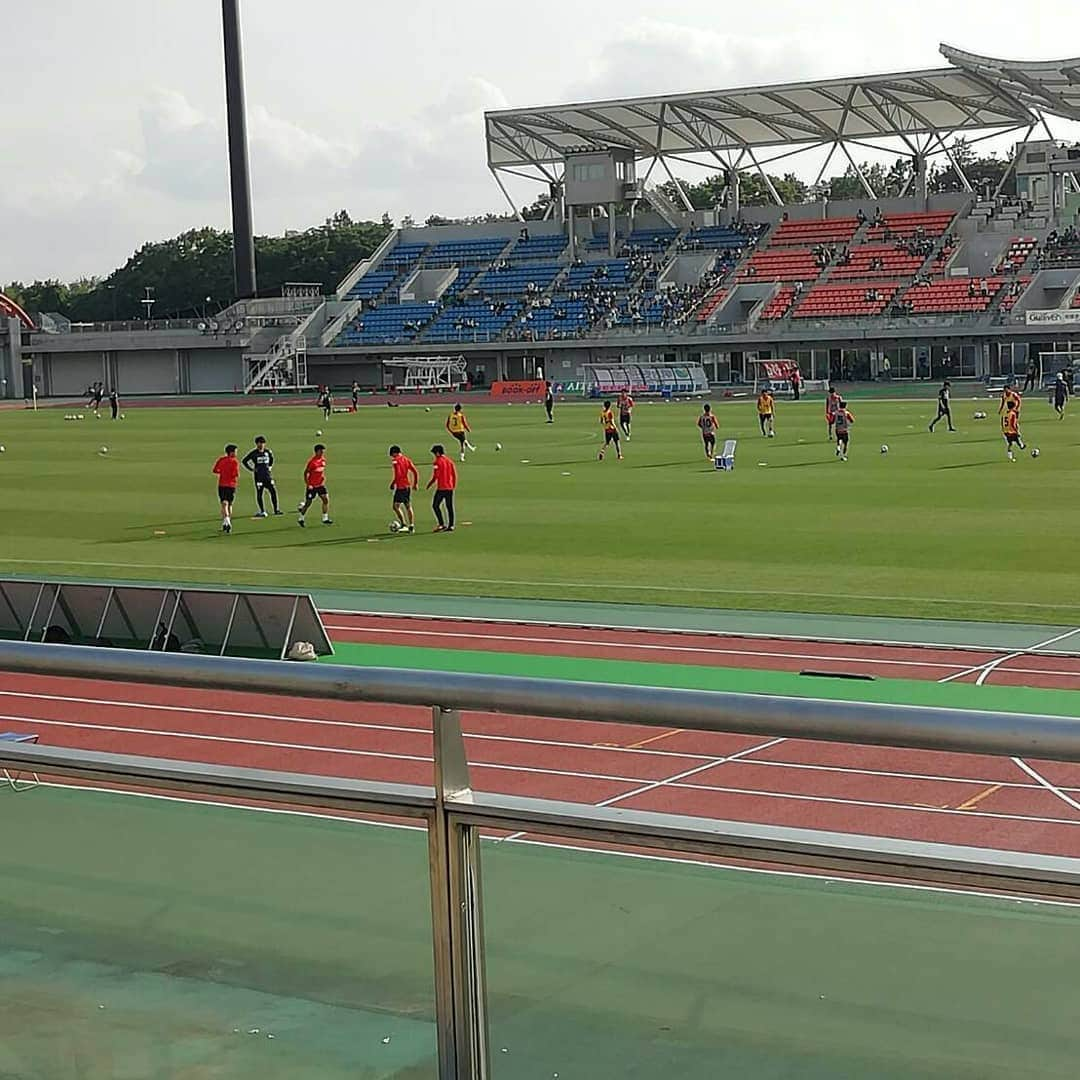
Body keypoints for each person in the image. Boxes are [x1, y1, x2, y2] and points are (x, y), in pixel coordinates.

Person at [242, 435, 281, 517]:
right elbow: (244, 461)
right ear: (256, 444)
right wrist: (251, 469)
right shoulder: (254, 453)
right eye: (260, 443)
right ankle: (262, 511)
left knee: (273, 492)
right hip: (258, 477)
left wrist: (269, 467)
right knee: (260, 493)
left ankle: (276, 509)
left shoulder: (268, 452)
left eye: (263, 443)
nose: (261, 445)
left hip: (267, 476)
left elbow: (272, 459)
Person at [297, 443, 332, 526]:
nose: (322, 453)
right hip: (312, 486)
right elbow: (306, 473)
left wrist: (323, 478)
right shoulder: (312, 462)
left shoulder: (323, 460)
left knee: (325, 500)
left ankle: (325, 518)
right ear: (316, 452)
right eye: (321, 451)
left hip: (320, 485)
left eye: (323, 451)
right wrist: (308, 484)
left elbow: (321, 471)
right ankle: (301, 518)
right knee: (308, 503)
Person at [388, 444, 419, 533]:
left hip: (401, 487)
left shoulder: (395, 461)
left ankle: (404, 524)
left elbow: (398, 474)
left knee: (395, 506)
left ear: (394, 453)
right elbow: (415, 471)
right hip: (407, 486)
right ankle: (411, 526)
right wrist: (415, 483)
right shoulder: (406, 459)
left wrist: (393, 483)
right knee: (408, 506)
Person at [427, 443, 458, 532]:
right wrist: (453, 485)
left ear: (437, 453)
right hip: (450, 488)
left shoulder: (437, 462)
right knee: (449, 507)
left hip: (441, 488)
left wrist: (430, 483)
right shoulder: (449, 461)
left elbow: (436, 476)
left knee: (435, 505)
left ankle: (441, 524)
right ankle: (451, 525)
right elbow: (454, 474)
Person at [211, 444, 240, 534]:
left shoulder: (221, 460)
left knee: (224, 503)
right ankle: (228, 521)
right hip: (231, 485)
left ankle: (225, 522)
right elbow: (235, 474)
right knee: (229, 504)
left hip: (222, 484)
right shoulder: (235, 462)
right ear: (231, 452)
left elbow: (215, 470)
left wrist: (222, 472)